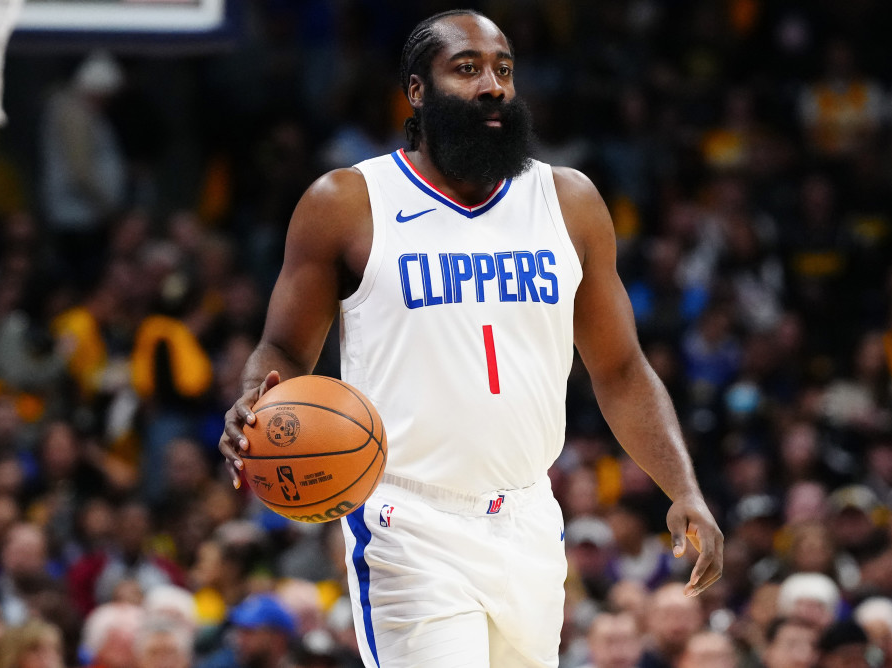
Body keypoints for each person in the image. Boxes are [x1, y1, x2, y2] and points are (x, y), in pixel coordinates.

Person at [218, 10, 723, 667]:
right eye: (467, 68)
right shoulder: (348, 201)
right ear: (417, 90)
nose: (493, 85)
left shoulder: (568, 201)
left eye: (503, 69)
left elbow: (621, 368)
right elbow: (283, 347)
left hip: (529, 516)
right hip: (408, 520)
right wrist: (257, 398)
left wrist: (683, 487)